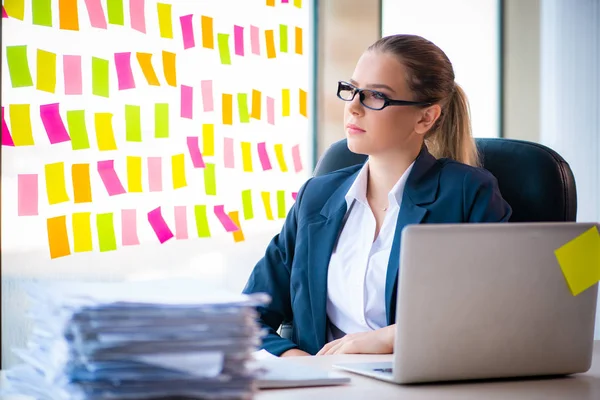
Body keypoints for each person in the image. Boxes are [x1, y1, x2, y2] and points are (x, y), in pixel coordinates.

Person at [242, 34, 512, 357]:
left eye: (375, 97)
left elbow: (497, 308)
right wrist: (299, 362)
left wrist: (392, 337)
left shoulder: (467, 194)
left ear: (426, 117)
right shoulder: (316, 198)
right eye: (352, 90)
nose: (353, 107)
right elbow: (246, 317)